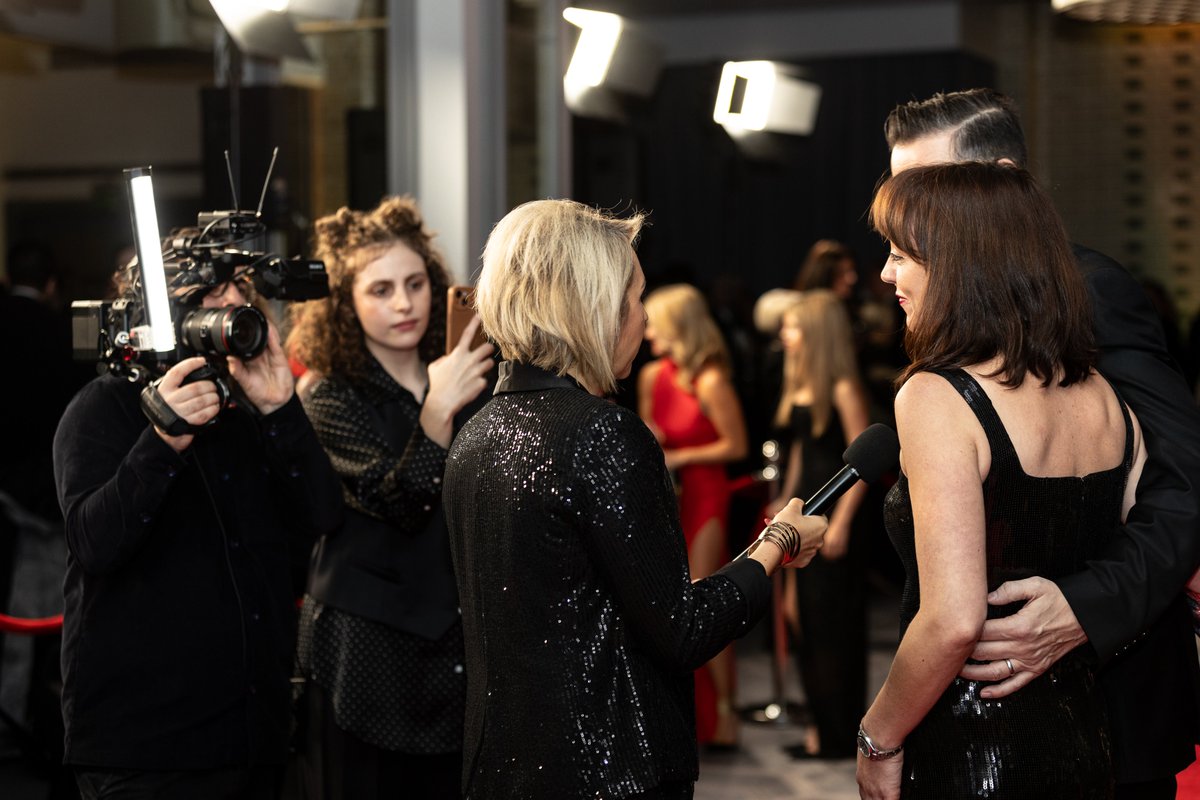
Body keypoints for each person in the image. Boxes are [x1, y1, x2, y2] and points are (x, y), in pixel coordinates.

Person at [442, 199, 828, 800]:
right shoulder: (602, 434)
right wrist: (777, 543)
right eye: (636, 298)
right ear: (593, 306)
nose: (644, 321)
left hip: (499, 770)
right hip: (605, 771)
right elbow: (684, 631)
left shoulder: (474, 434)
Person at [884, 88, 1200, 799]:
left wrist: (1083, 605)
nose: (908, 215)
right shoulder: (956, 311)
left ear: (999, 182)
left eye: (929, 189)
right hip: (1001, 711)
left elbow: (1183, 480)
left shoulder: (1086, 289)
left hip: (1111, 701)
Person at [858, 161, 1145, 798]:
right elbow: (1145, 556)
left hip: (970, 746)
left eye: (902, 255)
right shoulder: (1104, 396)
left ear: (961, 266)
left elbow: (954, 619)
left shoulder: (936, 397)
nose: (885, 274)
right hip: (1087, 742)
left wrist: (878, 738)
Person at [52, 259, 343, 798]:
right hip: (147, 749)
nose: (225, 314)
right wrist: (162, 440)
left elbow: (324, 523)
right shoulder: (103, 407)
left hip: (253, 737)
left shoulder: (248, 412)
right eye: (205, 300)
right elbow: (93, 543)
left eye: (237, 299)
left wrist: (282, 408)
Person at [283, 196, 494, 799]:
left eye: (415, 282)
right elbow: (398, 504)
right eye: (380, 290)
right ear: (346, 304)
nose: (404, 303)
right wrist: (436, 409)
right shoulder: (326, 396)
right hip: (368, 652)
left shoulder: (470, 370)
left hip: (461, 642)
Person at [638, 283, 749, 749]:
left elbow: (737, 445)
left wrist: (681, 459)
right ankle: (691, 715)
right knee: (671, 599)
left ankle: (725, 710)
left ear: (678, 326)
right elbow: (650, 437)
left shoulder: (710, 381)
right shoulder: (651, 377)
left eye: (655, 323)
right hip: (670, 497)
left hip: (705, 495)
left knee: (703, 595)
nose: (646, 333)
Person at [768, 289, 871, 760]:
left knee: (834, 628)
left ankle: (837, 732)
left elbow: (864, 465)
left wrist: (843, 522)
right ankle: (820, 728)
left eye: (792, 327)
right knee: (801, 620)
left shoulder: (843, 388)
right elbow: (799, 460)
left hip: (833, 520)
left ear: (815, 332)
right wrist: (782, 512)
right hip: (805, 516)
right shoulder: (800, 384)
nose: (785, 335)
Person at [792, 239, 858, 302]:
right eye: (840, 273)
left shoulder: (857, 310)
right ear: (822, 276)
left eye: (852, 270)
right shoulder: (798, 311)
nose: (852, 279)